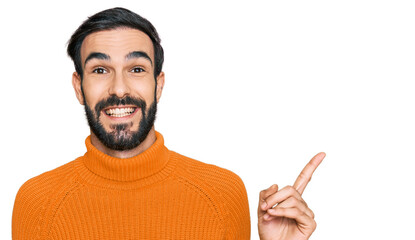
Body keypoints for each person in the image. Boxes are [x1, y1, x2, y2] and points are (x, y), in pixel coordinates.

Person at [12, 7, 324, 240]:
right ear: (78, 87)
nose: (119, 89)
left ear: (158, 84)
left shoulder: (222, 194)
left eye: (136, 69)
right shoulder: (37, 202)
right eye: (100, 70)